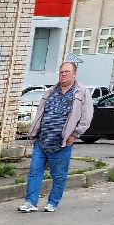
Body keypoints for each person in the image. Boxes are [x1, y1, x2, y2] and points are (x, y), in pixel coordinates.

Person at [20, 61, 93, 214]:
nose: (63, 74)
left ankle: (53, 202)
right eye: (61, 72)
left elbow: (86, 118)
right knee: (34, 171)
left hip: (62, 143)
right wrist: (35, 133)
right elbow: (41, 113)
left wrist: (74, 135)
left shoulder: (81, 93)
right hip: (42, 140)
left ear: (74, 74)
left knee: (58, 175)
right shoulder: (51, 91)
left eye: (67, 72)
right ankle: (30, 202)